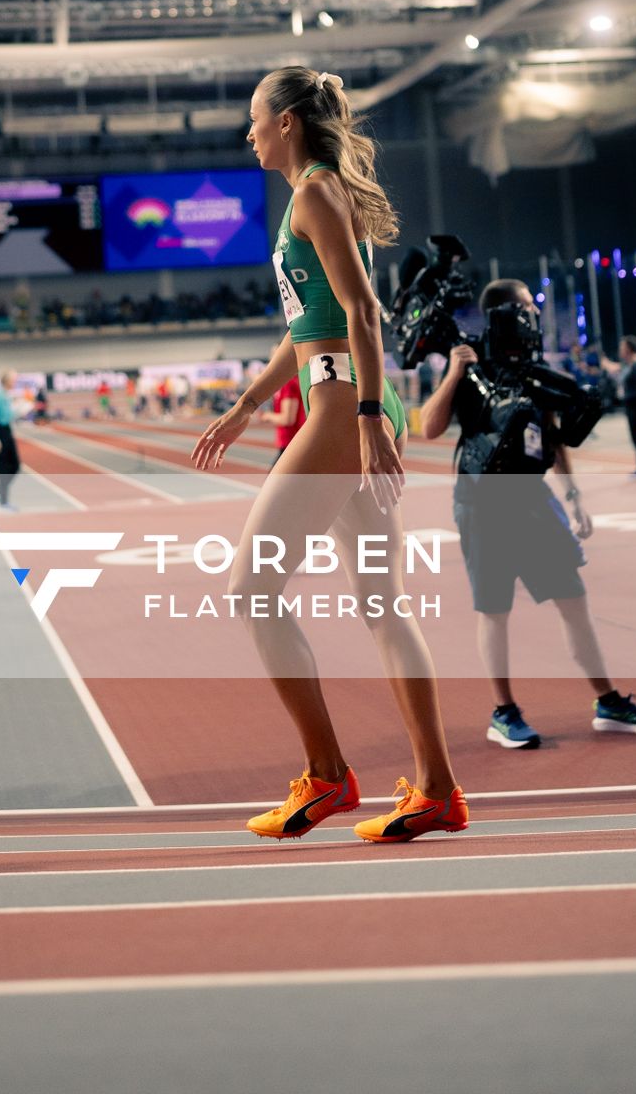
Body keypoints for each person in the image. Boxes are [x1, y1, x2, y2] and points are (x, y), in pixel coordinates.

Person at [193, 65, 467, 844]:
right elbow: (308, 324)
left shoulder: (314, 192)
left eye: (253, 118)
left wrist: (374, 418)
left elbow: (364, 314)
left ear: (286, 123)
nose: (247, 132)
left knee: (251, 587)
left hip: (347, 406)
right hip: (343, 398)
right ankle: (438, 791)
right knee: (384, 604)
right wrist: (248, 405)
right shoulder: (308, 197)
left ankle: (326, 775)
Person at [422, 281, 636, 751]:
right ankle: (504, 712)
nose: (531, 312)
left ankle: (609, 701)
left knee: (574, 600)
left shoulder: (532, 368)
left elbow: (551, 437)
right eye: (522, 305)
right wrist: (454, 373)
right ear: (500, 311)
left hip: (534, 498)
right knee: (494, 609)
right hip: (482, 501)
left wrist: (573, 495)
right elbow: (430, 425)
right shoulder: (470, 361)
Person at [603, 336, 636, 474]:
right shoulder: (629, 364)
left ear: (629, 349)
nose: (620, 350)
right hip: (631, 404)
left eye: (622, 347)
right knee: (635, 437)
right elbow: (617, 371)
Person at [0, 369, 21, 512]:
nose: (15, 382)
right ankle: (3, 501)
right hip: (0, 433)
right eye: (14, 380)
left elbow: (9, 416)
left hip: (7, 431)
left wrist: (21, 409)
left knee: (15, 465)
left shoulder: (7, 396)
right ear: (7, 381)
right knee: (4, 468)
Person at [264, 374, 303, 466]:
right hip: (292, 442)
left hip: (290, 442)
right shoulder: (289, 381)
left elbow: (288, 419)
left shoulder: (288, 383)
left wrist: (268, 416)